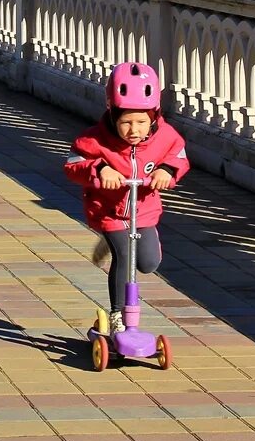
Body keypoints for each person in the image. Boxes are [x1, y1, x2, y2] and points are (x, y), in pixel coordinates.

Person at [64, 61, 189, 333]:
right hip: (108, 212)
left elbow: (178, 155)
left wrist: (167, 170)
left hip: (143, 212)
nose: (134, 130)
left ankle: (123, 245)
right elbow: (73, 164)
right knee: (125, 254)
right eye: (126, 123)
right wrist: (99, 167)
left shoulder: (165, 136)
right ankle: (119, 315)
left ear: (154, 116)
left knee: (148, 263)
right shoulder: (95, 139)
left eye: (142, 122)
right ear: (112, 114)